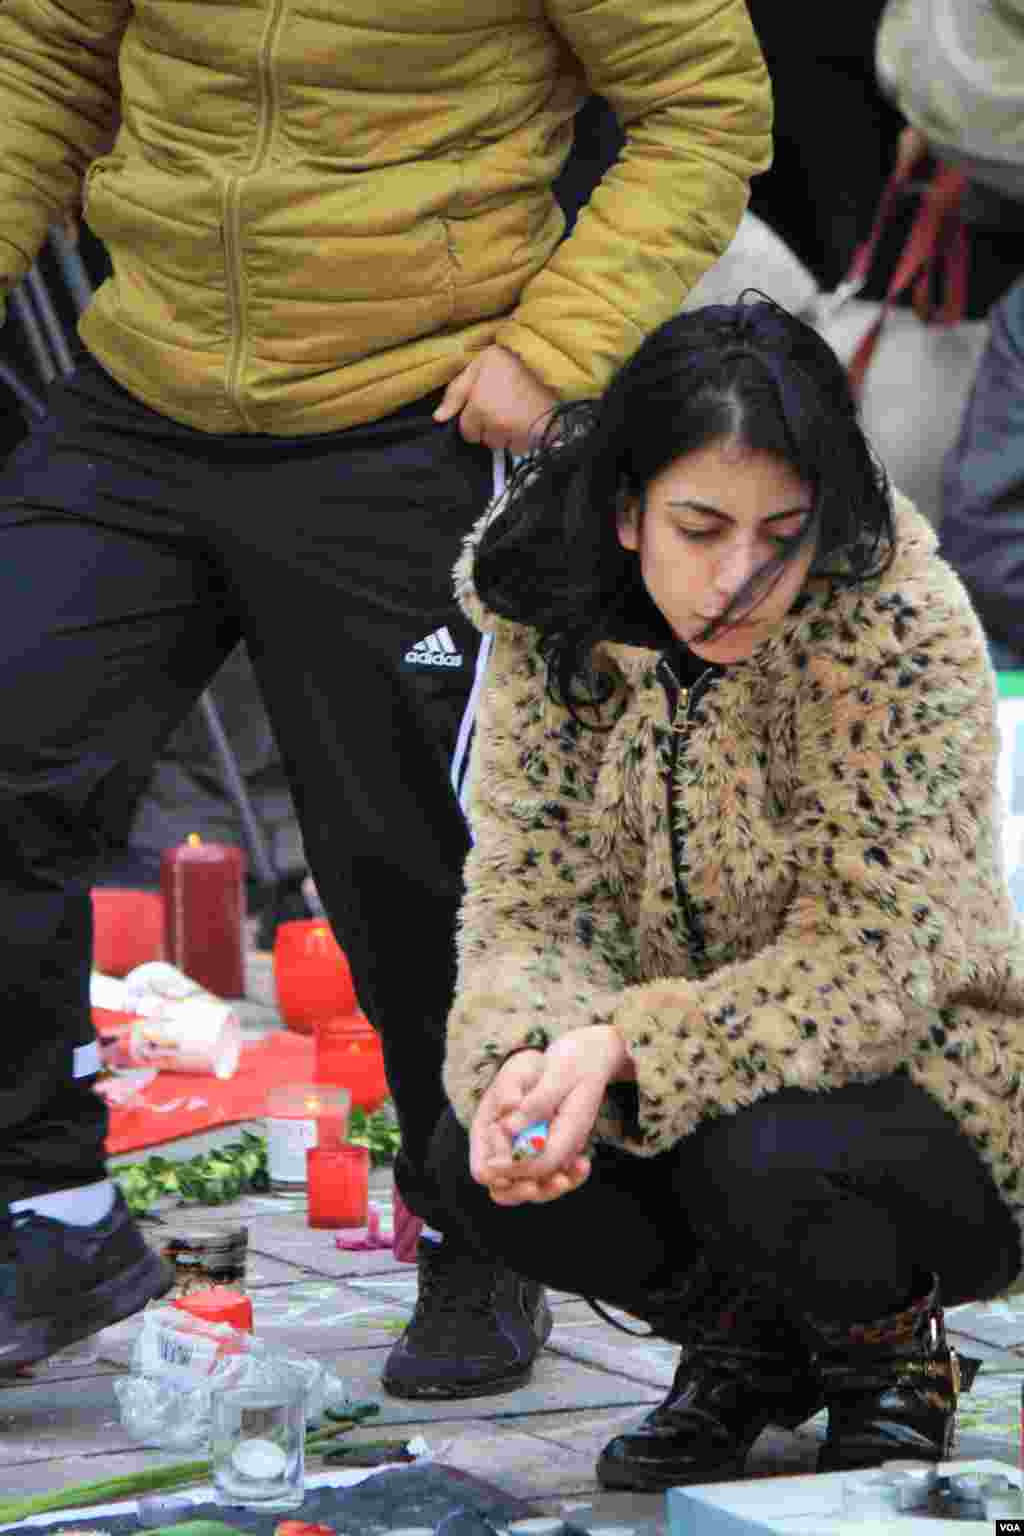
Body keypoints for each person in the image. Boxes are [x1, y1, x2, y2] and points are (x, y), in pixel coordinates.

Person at [0, 0, 772, 1388]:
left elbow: (705, 103)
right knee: (6, 754)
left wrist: (558, 347)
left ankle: (486, 1231)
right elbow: (45, 60)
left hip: (410, 407)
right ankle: (43, 1212)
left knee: (415, 859)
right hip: (140, 388)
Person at [424, 298, 1024, 1490]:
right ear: (626, 509)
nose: (741, 578)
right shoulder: (558, 621)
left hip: (931, 1093)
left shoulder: (894, 622)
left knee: (760, 1146)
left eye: (782, 535)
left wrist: (625, 1046)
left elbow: (873, 964)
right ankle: (746, 1341)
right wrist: (531, 1057)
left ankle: (887, 1350)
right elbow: (529, 905)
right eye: (700, 528)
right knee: (470, 1156)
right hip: (680, 1070)